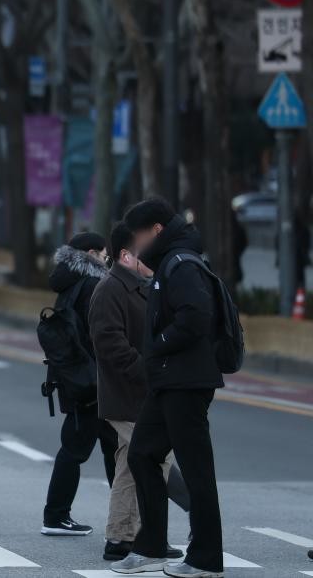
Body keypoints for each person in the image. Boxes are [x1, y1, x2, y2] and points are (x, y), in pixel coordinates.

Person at [112, 200, 226, 578]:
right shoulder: (171, 262)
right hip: (168, 380)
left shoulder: (179, 264)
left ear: (156, 230)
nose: (137, 243)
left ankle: (206, 558)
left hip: (186, 381)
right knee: (142, 454)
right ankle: (151, 546)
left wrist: (156, 343)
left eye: (140, 235)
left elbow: (196, 316)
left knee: (196, 471)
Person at [90, 223, 189, 562]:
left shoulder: (135, 287)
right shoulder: (110, 289)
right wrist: (149, 372)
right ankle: (138, 537)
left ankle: (121, 537)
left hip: (138, 394)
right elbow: (111, 345)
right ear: (125, 255)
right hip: (128, 395)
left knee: (129, 466)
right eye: (142, 249)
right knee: (152, 462)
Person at [41, 232, 118, 537]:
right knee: (84, 449)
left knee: (112, 448)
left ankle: (124, 516)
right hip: (93, 381)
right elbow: (98, 334)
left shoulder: (69, 282)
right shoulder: (91, 285)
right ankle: (57, 516)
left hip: (77, 378)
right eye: (103, 255)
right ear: (91, 253)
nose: (106, 260)